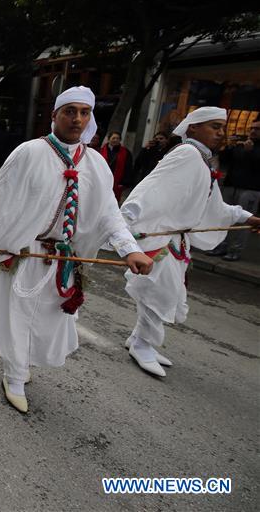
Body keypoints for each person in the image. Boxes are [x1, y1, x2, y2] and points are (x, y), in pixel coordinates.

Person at [0, 86, 153, 413]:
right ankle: (15, 375)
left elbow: (109, 213)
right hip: (23, 252)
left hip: (64, 259)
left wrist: (129, 249)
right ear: (54, 116)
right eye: (69, 111)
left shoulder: (96, 163)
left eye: (84, 112)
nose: (77, 119)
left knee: (47, 318)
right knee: (17, 315)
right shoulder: (29, 152)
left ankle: (23, 363)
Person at [121, 107, 260, 377]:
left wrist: (246, 217)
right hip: (161, 239)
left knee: (164, 292)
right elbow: (151, 188)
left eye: (223, 127)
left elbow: (213, 204)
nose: (221, 133)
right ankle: (142, 344)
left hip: (176, 241)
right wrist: (125, 224)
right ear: (193, 128)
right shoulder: (187, 154)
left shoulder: (202, 160)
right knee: (160, 293)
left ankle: (139, 338)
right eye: (214, 126)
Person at [207, 119, 260, 261]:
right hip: (231, 186)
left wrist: (251, 152)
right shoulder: (241, 145)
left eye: (257, 129)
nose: (254, 131)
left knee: (244, 220)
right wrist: (229, 147)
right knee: (223, 216)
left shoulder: (254, 148)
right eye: (252, 128)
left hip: (250, 189)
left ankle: (235, 250)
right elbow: (224, 160)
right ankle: (220, 245)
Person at [100, 131, 133, 202]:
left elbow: (128, 168)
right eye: (113, 138)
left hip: (117, 182)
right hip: (102, 180)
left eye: (118, 138)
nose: (115, 140)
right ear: (109, 139)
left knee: (112, 201)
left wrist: (124, 182)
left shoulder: (126, 152)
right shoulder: (101, 150)